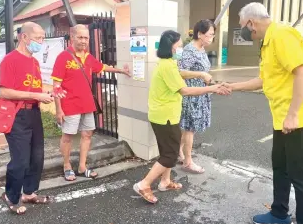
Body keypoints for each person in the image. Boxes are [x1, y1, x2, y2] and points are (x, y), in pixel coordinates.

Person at [223, 2, 303, 224]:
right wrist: (233, 85)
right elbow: (263, 80)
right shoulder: (267, 43)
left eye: (242, 25)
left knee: (300, 174)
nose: (242, 30)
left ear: (251, 23)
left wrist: (293, 115)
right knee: (280, 166)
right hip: (283, 118)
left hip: (300, 118)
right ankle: (280, 214)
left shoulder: (281, 35)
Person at [133, 30, 231, 204]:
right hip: (165, 116)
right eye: (178, 45)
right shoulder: (167, 66)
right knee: (170, 155)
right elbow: (184, 90)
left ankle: (165, 181)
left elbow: (181, 73)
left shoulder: (168, 63)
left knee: (167, 151)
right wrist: (212, 89)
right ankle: (144, 184)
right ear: (171, 46)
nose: (180, 48)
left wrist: (201, 75)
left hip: (165, 114)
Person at [0, 22, 64, 215]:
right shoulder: (9, 60)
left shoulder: (34, 62)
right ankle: (11, 196)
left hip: (33, 113)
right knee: (20, 160)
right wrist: (36, 96)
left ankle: (29, 192)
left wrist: (50, 93)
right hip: (17, 115)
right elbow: (5, 91)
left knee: (37, 157)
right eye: (38, 38)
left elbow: (33, 88)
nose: (41, 42)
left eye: (43, 38)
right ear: (24, 37)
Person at [51, 24, 130, 181]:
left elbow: (102, 67)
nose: (84, 41)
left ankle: (82, 166)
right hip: (70, 105)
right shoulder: (63, 57)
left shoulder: (88, 56)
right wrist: (59, 110)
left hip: (87, 104)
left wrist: (121, 71)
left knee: (87, 134)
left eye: (86, 38)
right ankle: (67, 166)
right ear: (72, 38)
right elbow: (56, 86)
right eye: (80, 37)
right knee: (68, 137)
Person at [178, 19, 216, 173]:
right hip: (191, 95)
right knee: (189, 128)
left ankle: (178, 152)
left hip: (200, 93)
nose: (211, 38)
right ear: (200, 34)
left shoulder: (201, 49)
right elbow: (180, 72)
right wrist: (200, 74)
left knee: (188, 128)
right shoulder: (190, 50)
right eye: (209, 34)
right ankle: (188, 161)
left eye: (213, 35)